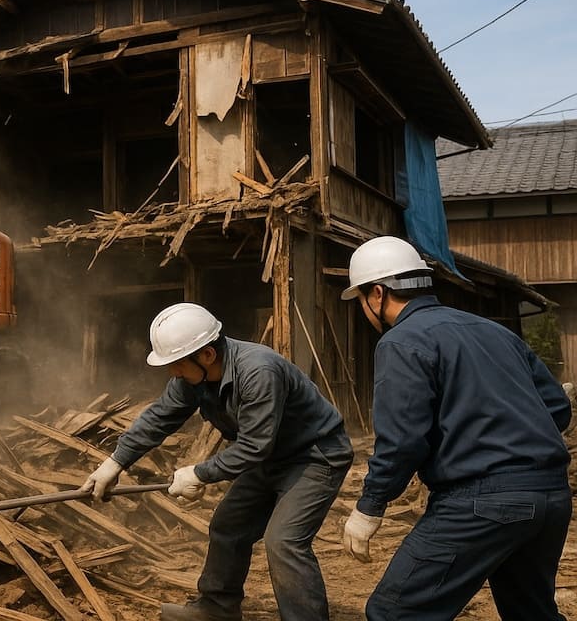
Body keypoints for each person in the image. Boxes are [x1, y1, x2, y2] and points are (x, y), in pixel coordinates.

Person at [339, 236, 571, 620]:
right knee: (532, 613)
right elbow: (557, 408)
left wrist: (370, 506)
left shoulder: (401, 342)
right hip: (551, 498)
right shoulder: (496, 331)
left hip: (480, 502)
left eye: (362, 300)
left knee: (395, 612)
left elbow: (402, 442)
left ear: (377, 294)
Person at [81, 302, 352, 621]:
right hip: (272, 456)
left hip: (314, 456)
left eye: (177, 364)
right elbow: (159, 418)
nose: (173, 372)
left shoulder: (258, 371)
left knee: (284, 542)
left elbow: (254, 446)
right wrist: (114, 463)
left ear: (207, 355)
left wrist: (198, 473)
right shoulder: (194, 376)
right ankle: (217, 609)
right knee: (228, 526)